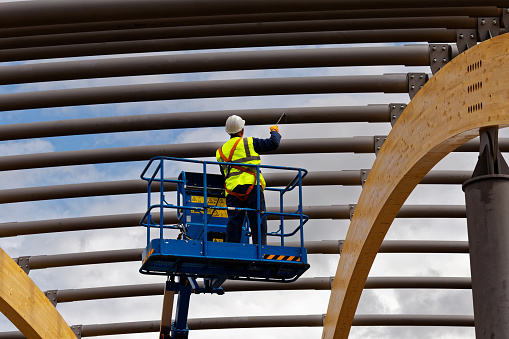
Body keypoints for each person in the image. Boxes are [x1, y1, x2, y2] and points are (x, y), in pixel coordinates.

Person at [216, 115, 281, 245]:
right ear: (242, 130)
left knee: (234, 221)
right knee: (257, 217)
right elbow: (273, 143)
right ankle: (260, 247)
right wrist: (274, 132)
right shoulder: (249, 142)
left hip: (232, 190)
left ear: (228, 131)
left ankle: (232, 248)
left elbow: (224, 173)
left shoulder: (220, 151)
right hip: (252, 186)